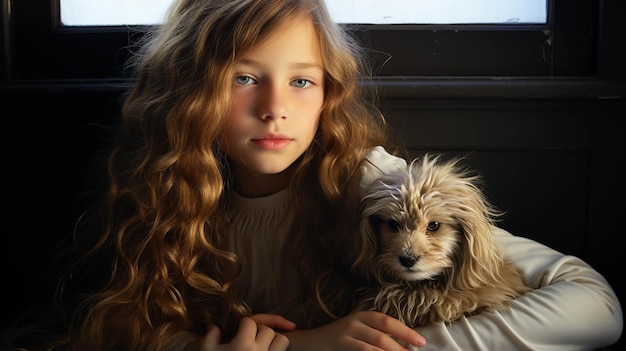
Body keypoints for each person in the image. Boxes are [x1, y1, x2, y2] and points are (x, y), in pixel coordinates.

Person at [2, 0, 622, 350]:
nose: (275, 107)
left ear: (328, 94)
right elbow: (109, 327)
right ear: (192, 91)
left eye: (302, 81)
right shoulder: (169, 184)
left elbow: (593, 305)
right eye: (244, 78)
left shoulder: (371, 185)